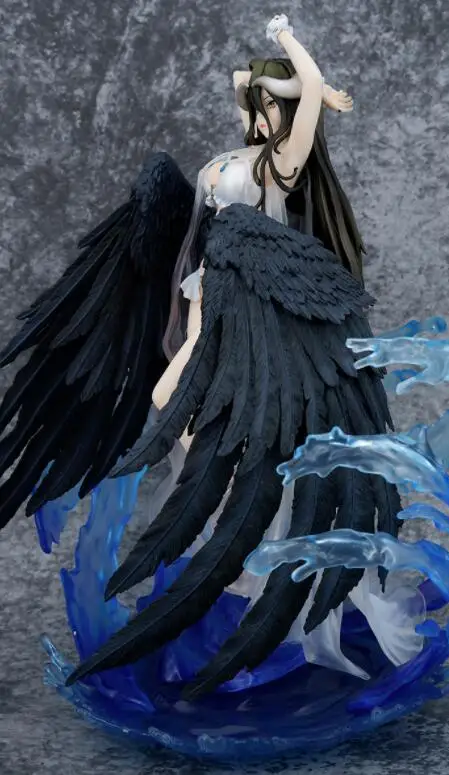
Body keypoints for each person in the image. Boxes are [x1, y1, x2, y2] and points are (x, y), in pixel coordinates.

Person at [0, 14, 424, 699]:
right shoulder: (232, 157)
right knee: (173, 403)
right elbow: (240, 82)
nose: (258, 115)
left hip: (255, 309)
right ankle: (230, 522)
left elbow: (304, 89)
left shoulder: (280, 164)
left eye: (269, 107)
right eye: (255, 106)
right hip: (207, 294)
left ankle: (248, 543)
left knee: (187, 408)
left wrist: (291, 49)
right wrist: (283, 83)